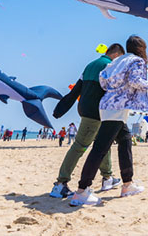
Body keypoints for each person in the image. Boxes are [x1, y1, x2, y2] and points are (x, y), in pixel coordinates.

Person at [70, 36, 148, 206]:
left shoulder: (119, 60)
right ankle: (82, 191)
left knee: (125, 140)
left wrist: (115, 89)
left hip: (107, 105)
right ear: (141, 48)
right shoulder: (137, 61)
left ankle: (127, 184)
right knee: (100, 149)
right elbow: (134, 80)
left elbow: (103, 79)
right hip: (117, 108)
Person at [50, 43, 126, 198]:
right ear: (117, 55)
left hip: (87, 109)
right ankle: (60, 184)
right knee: (79, 146)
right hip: (95, 112)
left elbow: (75, 90)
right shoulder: (109, 66)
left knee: (103, 144)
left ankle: (107, 178)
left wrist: (60, 109)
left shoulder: (90, 65)